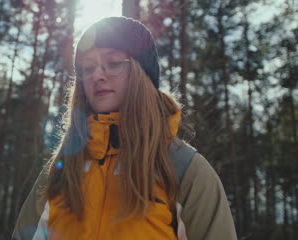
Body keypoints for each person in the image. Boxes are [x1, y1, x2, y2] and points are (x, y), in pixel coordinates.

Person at [12, 16, 237, 240]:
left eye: (114, 63)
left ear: (143, 74)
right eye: (88, 68)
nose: (97, 75)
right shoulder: (60, 170)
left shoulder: (183, 169)